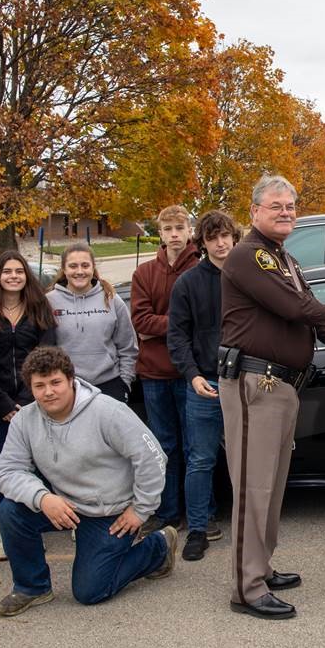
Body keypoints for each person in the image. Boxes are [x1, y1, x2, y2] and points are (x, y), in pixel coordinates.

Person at [219, 174, 325, 619]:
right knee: (253, 487)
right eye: (276, 205)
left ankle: (260, 567)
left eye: (291, 205)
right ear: (255, 212)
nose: (286, 212)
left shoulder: (282, 258)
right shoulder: (248, 256)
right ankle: (247, 589)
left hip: (280, 386)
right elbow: (294, 309)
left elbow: (309, 316)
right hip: (253, 385)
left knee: (273, 483)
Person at [0, 347, 176, 616]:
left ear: (70, 380)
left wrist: (141, 509)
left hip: (109, 513)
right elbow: (8, 471)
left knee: (90, 591)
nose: (48, 392)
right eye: (39, 386)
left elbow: (153, 457)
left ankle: (158, 547)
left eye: (55, 382)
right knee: (9, 511)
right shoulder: (25, 420)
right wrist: (43, 498)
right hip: (65, 506)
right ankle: (32, 587)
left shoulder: (108, 412)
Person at [167, 210, 240, 561]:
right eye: (213, 237)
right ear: (203, 242)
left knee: (247, 460)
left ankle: (248, 527)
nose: (220, 242)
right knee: (200, 460)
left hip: (247, 381)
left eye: (225, 235)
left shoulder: (250, 278)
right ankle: (198, 529)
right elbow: (177, 336)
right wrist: (192, 374)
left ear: (234, 237)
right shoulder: (188, 283)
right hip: (206, 384)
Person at [0, 250, 58, 561]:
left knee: (38, 465)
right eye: (7, 271)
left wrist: (27, 400)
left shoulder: (40, 309)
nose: (13, 276)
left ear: (27, 276)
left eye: (19, 271)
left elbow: (46, 356)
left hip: (34, 402)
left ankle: (29, 524)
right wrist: (4, 404)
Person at [131, 206, 200, 533]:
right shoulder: (144, 273)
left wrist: (163, 328)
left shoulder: (202, 269)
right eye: (168, 229)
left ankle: (199, 513)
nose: (174, 234)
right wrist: (181, 325)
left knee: (195, 446)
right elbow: (140, 320)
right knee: (163, 446)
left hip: (192, 373)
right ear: (159, 233)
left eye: (180, 228)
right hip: (154, 373)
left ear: (189, 230)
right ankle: (169, 513)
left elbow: (205, 322)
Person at [48, 243, 138, 402]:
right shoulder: (49, 301)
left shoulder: (111, 299)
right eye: (73, 266)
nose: (80, 271)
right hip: (67, 386)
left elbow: (127, 346)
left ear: (93, 267)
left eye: (85, 265)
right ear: (64, 269)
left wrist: (125, 383)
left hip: (109, 384)